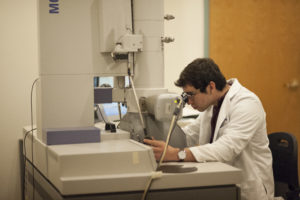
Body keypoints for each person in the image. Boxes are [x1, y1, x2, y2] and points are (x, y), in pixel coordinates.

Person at [144, 58, 274, 200]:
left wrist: (177, 154)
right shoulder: (212, 105)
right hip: (222, 182)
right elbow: (188, 136)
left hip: (248, 190)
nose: (189, 102)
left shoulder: (247, 103)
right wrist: (158, 143)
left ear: (211, 86)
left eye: (191, 95)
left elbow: (226, 148)